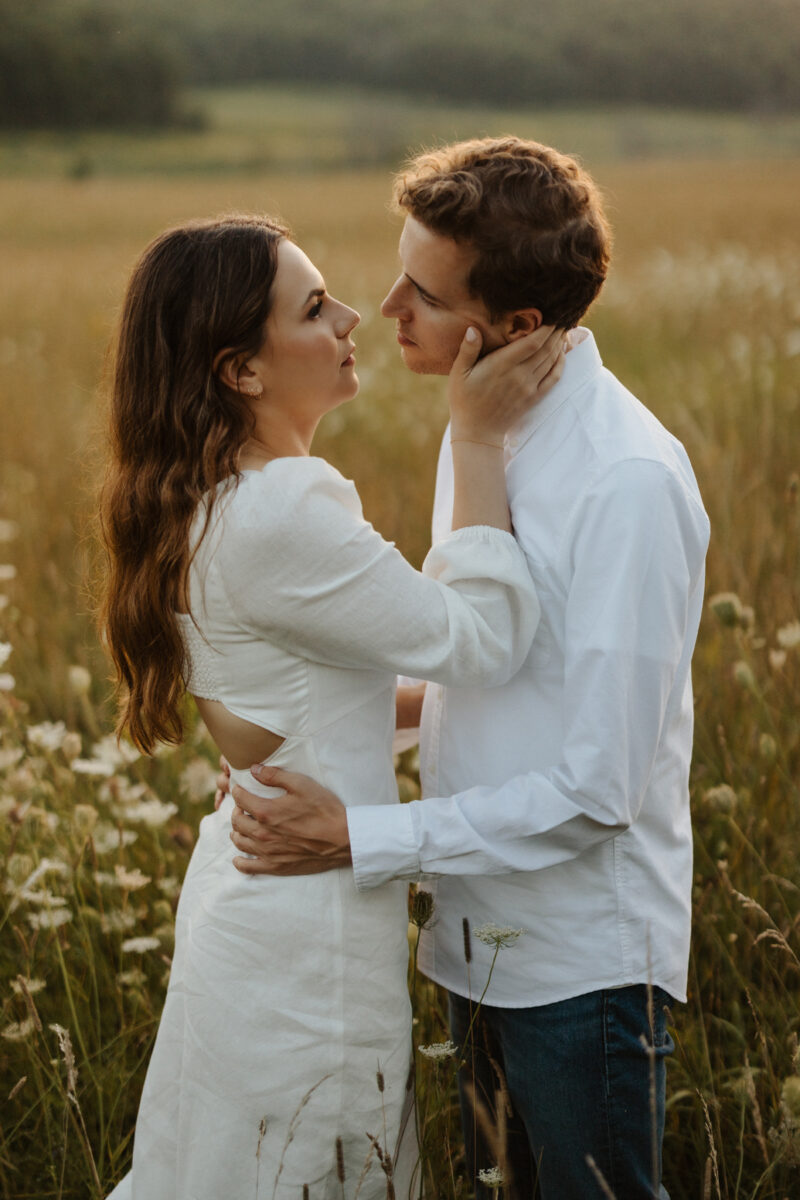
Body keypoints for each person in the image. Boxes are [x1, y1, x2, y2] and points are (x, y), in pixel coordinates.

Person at [226, 138, 711, 1199]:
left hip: (575, 967)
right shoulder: (479, 424)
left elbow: (597, 791)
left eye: (425, 294)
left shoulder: (624, 482)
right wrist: (313, 723)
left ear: (517, 328)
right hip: (469, 937)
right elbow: (488, 666)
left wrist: (362, 838)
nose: (384, 307)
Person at [100, 212, 565, 1200]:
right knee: (314, 1167)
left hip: (250, 901)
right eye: (314, 308)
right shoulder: (286, 509)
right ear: (243, 371)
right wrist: (474, 439)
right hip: (301, 936)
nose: (354, 315)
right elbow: (480, 641)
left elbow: (309, 709)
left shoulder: (217, 495)